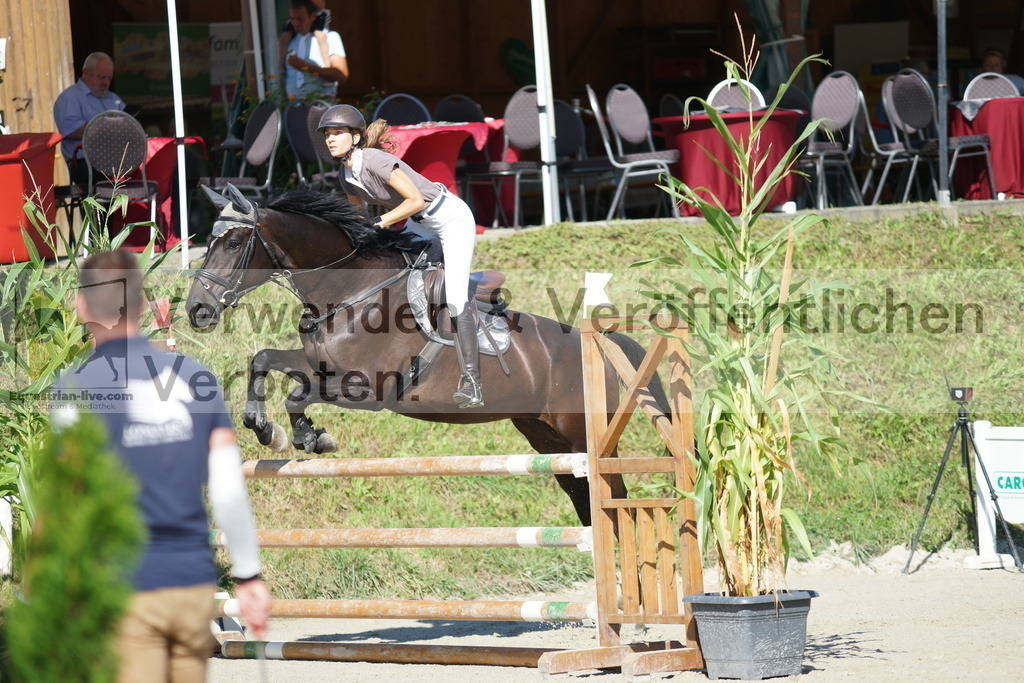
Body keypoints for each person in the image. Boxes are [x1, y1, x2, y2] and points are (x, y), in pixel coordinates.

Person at [51, 250, 272, 682]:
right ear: (141, 304)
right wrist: (249, 578)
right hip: (191, 587)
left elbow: (67, 499)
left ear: (81, 307)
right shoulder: (198, 377)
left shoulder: (74, 388)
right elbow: (228, 490)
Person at [317, 104, 485, 408]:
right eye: (327, 134)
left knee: (457, 297)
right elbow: (359, 216)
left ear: (355, 137)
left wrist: (380, 223)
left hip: (449, 219)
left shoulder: (376, 161)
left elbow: (415, 199)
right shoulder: (346, 175)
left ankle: (472, 380)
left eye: (337, 133)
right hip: (420, 224)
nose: (330, 139)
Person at [53, 52, 126, 186]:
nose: (106, 82)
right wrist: (105, 125)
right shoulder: (70, 97)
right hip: (86, 163)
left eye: (109, 78)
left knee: (156, 167)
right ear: (86, 73)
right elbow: (71, 131)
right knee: (114, 180)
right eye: (101, 77)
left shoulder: (113, 99)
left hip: (118, 159)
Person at [284, 0, 349, 99]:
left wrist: (305, 67)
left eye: (300, 19)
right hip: (294, 107)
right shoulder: (289, 41)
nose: (296, 23)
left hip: (320, 105)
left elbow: (341, 75)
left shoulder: (330, 37)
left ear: (312, 16)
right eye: (293, 18)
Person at [278, 0, 331, 76]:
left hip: (318, 14)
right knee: (284, 37)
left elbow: (321, 4)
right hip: (299, 13)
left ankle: (327, 65)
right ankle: (281, 67)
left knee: (320, 35)